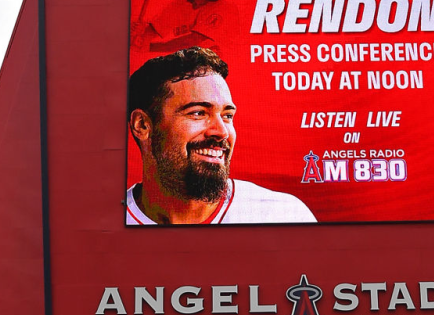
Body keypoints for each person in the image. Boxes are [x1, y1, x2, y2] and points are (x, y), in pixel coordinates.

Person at [126, 47, 315, 226]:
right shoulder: (106, 222)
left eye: (227, 116)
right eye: (198, 113)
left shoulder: (282, 215)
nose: (222, 131)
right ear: (142, 125)